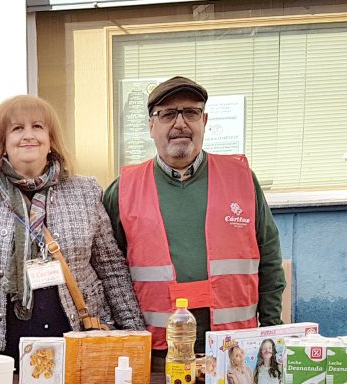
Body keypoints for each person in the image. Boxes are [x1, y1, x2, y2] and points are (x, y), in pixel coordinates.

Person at [0, 95, 145, 364]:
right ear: (2, 143)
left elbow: (111, 268)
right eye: (17, 128)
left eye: (37, 127)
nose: (28, 135)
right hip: (2, 350)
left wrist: (135, 337)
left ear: (51, 140)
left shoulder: (85, 191)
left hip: (78, 341)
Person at [102, 76, 285, 360]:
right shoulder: (122, 190)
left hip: (233, 349)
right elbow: (108, 273)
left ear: (205, 121)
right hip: (156, 353)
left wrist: (272, 331)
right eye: (167, 114)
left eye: (190, 112)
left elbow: (269, 258)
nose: (180, 123)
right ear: (151, 125)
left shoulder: (242, 180)